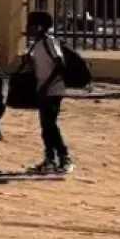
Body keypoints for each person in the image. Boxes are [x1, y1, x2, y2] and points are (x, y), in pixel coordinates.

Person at [27, 11, 73, 175]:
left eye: (31, 25)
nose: (28, 28)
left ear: (39, 26)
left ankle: (64, 157)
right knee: (46, 126)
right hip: (44, 90)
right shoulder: (38, 44)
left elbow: (59, 64)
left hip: (53, 90)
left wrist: (46, 85)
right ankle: (50, 160)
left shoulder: (49, 42)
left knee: (50, 125)